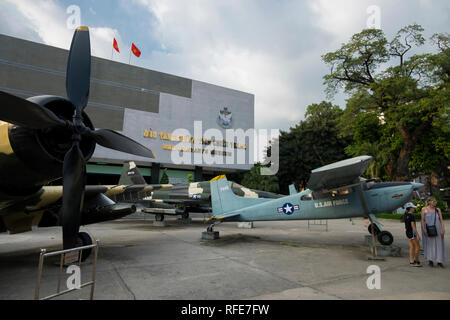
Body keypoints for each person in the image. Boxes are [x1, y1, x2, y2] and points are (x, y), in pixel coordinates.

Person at [421, 196, 446, 268]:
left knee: (439, 245)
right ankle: (430, 260)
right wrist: (423, 229)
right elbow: (422, 220)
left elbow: (441, 220)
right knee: (430, 245)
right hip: (428, 229)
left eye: (435, 201)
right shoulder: (424, 209)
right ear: (429, 202)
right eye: (433, 201)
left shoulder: (438, 210)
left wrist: (443, 229)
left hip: (438, 229)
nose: (435, 202)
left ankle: (439, 261)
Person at [402, 202, 422, 267]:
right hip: (412, 233)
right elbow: (413, 226)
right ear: (410, 208)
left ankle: (411, 260)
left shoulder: (406, 215)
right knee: (417, 246)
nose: (414, 209)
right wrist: (418, 235)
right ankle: (416, 260)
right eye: (413, 207)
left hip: (408, 232)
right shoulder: (411, 216)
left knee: (412, 246)